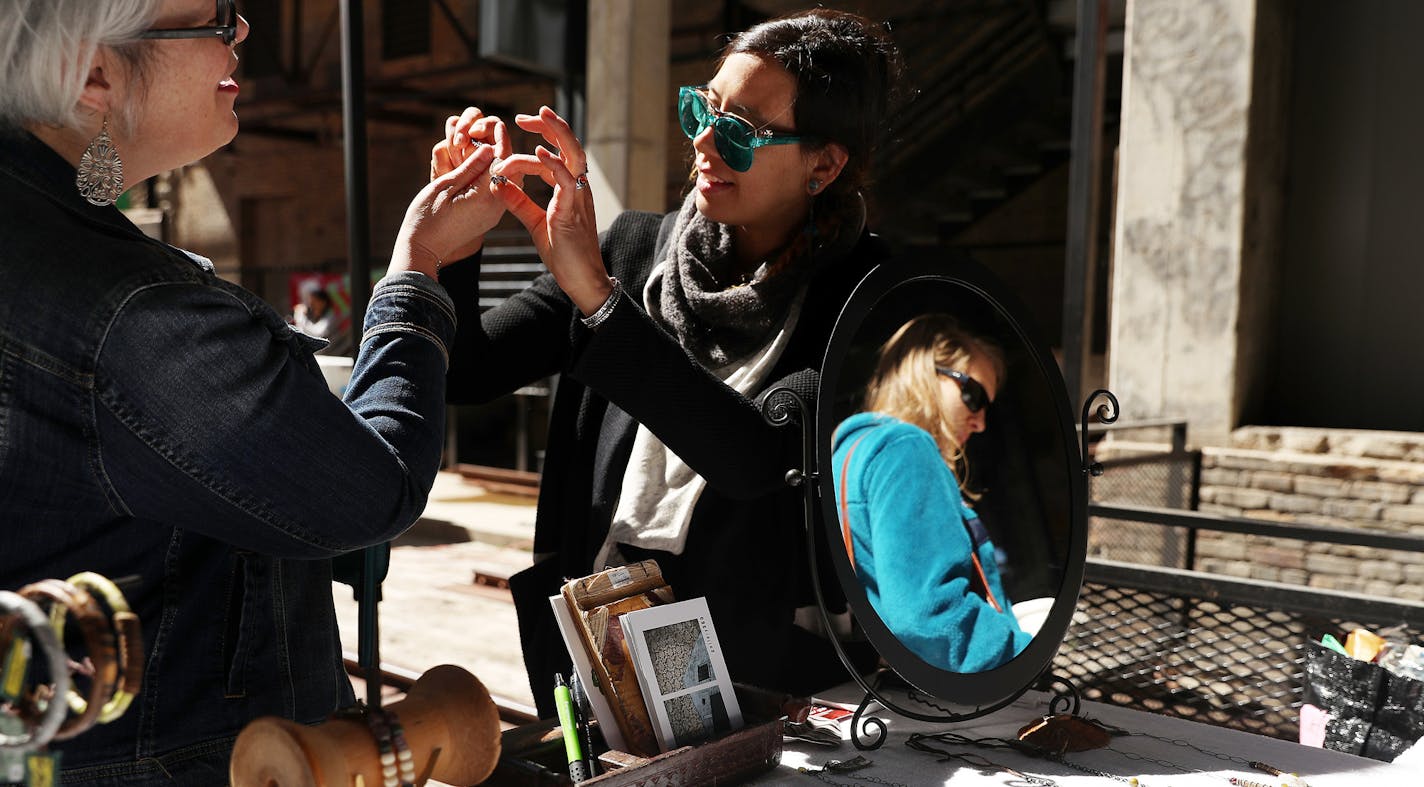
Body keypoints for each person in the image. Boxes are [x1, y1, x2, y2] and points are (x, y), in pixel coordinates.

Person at [0, 1, 506, 781]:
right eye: (214, 17)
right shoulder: (134, 315)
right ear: (95, 70)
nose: (241, 32)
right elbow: (367, 491)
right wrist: (419, 270)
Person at [433, 9, 902, 713]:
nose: (706, 143)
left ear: (824, 164)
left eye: (742, 130)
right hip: (601, 656)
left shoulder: (869, 294)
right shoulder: (633, 250)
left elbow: (759, 453)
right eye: (702, 110)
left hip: (767, 678)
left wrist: (597, 299)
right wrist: (459, 234)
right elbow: (466, 371)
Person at [831, 314, 1032, 673]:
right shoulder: (906, 449)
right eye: (973, 395)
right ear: (926, 373)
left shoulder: (853, 450)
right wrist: (1022, 655)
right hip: (940, 695)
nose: (981, 421)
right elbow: (927, 615)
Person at [293, 281, 353, 355]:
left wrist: (301, 317)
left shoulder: (331, 316)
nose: (311, 305)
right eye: (310, 303)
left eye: (314, 302)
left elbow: (318, 334)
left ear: (323, 302)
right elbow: (301, 335)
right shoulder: (311, 318)